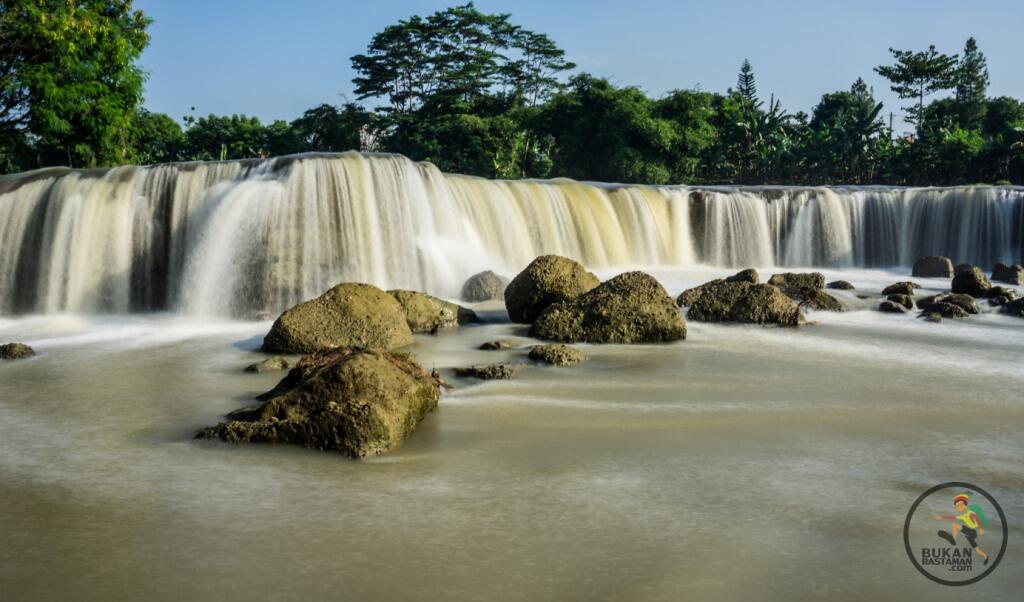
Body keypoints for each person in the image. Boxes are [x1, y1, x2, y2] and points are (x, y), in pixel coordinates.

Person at [934, 493, 989, 565]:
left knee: (954, 525)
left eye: (959, 506)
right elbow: (952, 517)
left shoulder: (970, 513)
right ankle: (985, 557)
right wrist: (941, 517)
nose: (957, 508)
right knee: (977, 549)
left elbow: (978, 520)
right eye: (956, 507)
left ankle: (953, 539)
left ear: (964, 505)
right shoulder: (963, 515)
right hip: (969, 535)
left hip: (972, 532)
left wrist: (981, 528)